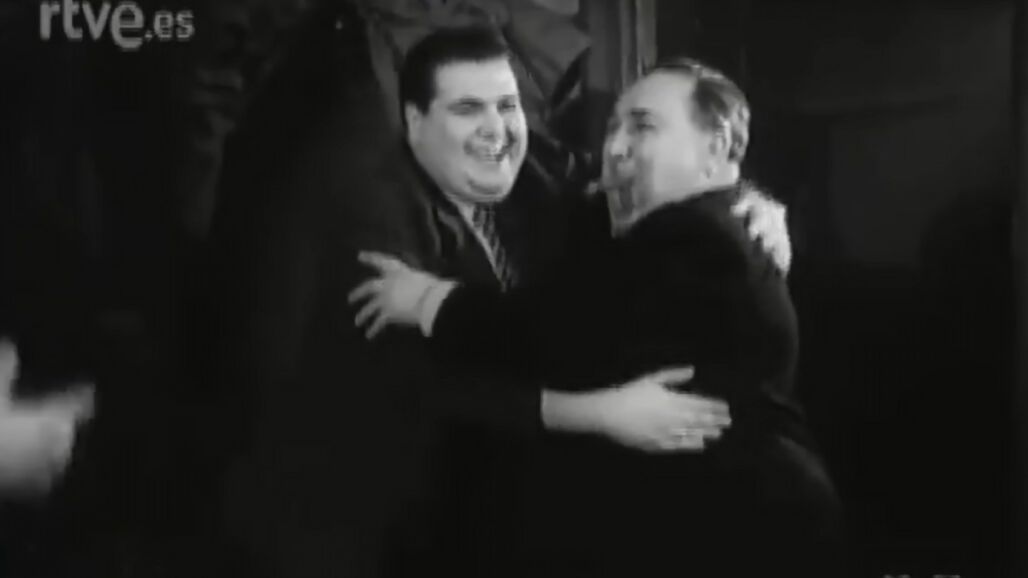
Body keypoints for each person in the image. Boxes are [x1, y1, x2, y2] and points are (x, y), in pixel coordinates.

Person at [213, 26, 788, 578]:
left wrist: (741, 199)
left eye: (507, 106)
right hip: (366, 530)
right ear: (414, 123)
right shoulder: (371, 215)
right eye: (468, 109)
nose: (498, 130)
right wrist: (599, 414)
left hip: (493, 516)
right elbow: (424, 391)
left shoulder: (530, 176)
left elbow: (634, 179)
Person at [351, 57, 845, 577]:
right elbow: (587, 190)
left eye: (643, 126)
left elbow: (552, 335)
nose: (616, 146)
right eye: (613, 127)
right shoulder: (660, 221)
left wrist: (428, 300)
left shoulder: (696, 239)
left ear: (717, 148)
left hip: (746, 536)